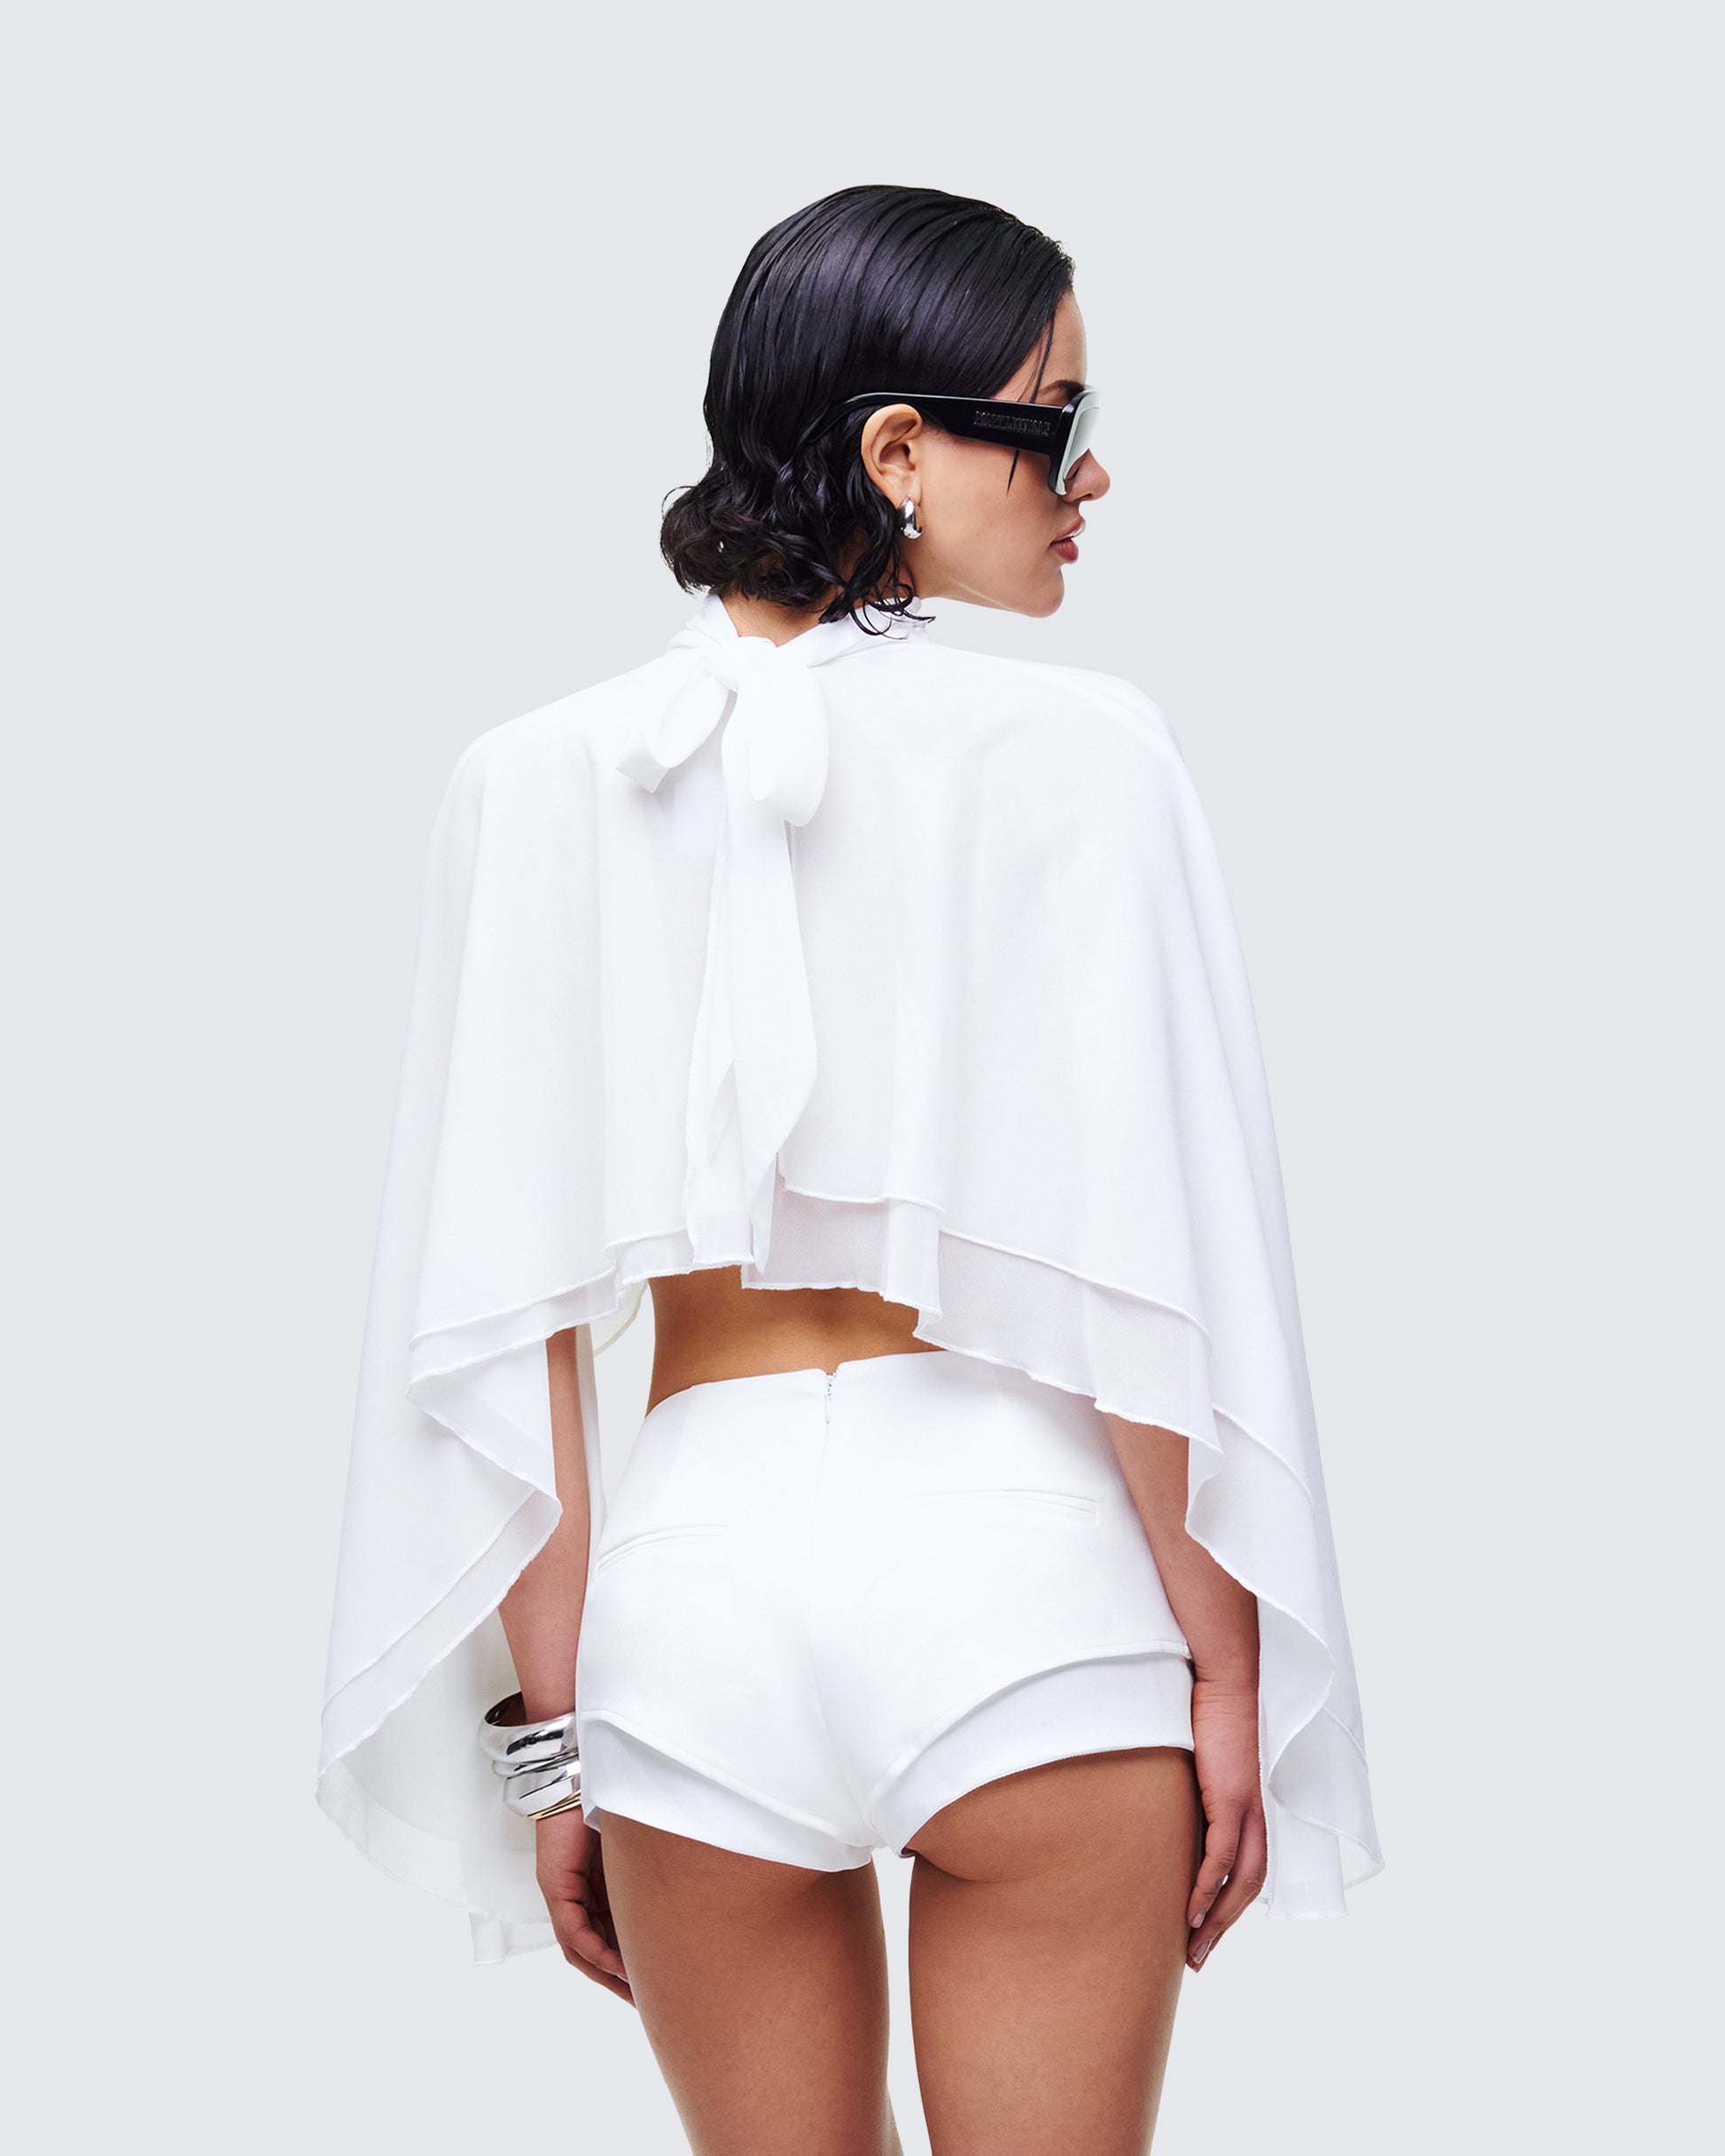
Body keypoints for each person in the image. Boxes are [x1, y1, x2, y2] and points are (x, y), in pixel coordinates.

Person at [319, 184, 1380, 2154]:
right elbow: (1153, 1267)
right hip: (1026, 1586)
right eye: (1055, 421)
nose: (1090, 475)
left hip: (686, 1611)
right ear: (897, 449)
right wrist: (1228, 1673)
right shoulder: (1084, 754)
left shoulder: (531, 779)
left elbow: (506, 1328)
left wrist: (560, 1749)